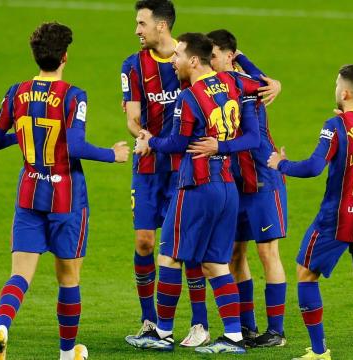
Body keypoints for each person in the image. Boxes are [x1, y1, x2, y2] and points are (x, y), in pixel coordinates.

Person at [0, 22, 129, 360]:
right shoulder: (73, 95)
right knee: (68, 278)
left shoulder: (16, 91)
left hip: (29, 194)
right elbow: (76, 147)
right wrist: (113, 154)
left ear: (36, 55)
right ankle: (67, 353)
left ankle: (3, 324)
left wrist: (22, 137)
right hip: (66, 198)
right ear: (65, 56)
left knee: (20, 274)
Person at [126, 32, 261, 354]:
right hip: (228, 187)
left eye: (179, 56)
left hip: (196, 187)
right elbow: (254, 135)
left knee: (169, 256)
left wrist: (149, 143)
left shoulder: (188, 98)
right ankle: (233, 337)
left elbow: (176, 143)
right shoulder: (235, 84)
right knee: (216, 263)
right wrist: (224, 146)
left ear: (194, 61)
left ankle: (162, 333)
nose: (174, 61)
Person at [268, 64, 353, 360]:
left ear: (346, 92)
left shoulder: (336, 125)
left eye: (337, 85)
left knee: (306, 273)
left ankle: (319, 351)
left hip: (340, 217)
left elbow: (314, 167)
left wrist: (280, 164)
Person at [189, 29, 288, 348]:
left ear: (229, 56)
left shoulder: (247, 85)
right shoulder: (218, 87)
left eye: (215, 55)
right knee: (235, 253)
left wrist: (246, 60)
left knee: (266, 250)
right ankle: (246, 327)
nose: (210, 61)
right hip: (235, 181)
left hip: (263, 178)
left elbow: (263, 83)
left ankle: (276, 332)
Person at [121, 0, 209, 346]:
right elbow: (132, 116)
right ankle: (149, 321)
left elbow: (228, 67)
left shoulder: (189, 58)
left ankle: (199, 322)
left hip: (184, 169)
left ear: (161, 25)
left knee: (185, 245)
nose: (137, 30)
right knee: (144, 242)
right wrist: (141, 135)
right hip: (147, 166)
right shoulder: (133, 64)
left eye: (141, 23)